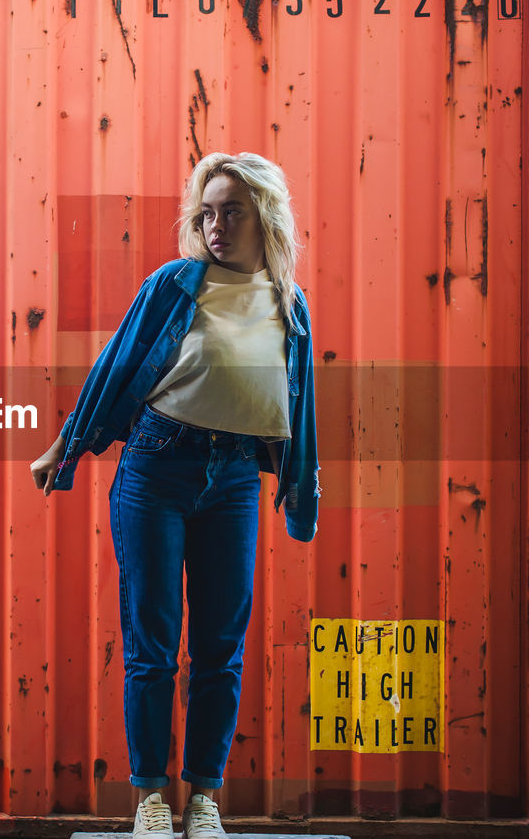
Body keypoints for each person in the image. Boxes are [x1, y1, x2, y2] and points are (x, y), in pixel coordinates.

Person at [30, 152, 320, 839]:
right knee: (153, 646)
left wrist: (302, 476)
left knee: (220, 648)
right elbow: (116, 367)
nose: (216, 225)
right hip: (156, 471)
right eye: (208, 212)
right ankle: (151, 800)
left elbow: (298, 402)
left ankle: (205, 800)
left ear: (266, 217)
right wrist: (65, 444)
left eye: (233, 211)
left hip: (235, 482)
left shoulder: (289, 303)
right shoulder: (176, 285)